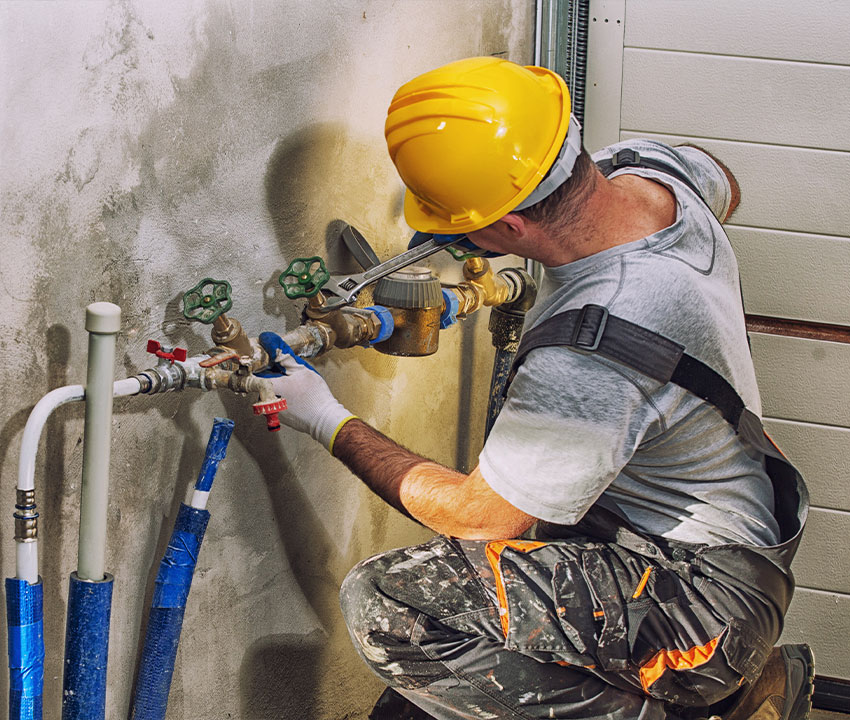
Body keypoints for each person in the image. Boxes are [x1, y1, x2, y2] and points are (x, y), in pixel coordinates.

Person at [261, 57, 812, 720]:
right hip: (692, 538)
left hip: (697, 606)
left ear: (510, 228)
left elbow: (479, 517)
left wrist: (324, 417)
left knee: (391, 604)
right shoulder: (648, 171)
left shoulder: (592, 353)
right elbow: (722, 177)